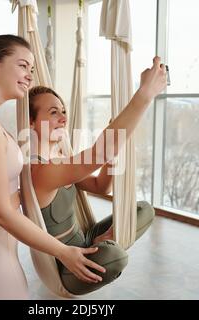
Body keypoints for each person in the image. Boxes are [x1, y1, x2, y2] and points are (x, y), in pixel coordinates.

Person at [0, 34, 106, 300]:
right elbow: (0, 212)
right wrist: (63, 251)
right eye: (22, 66)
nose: (29, 75)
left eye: (31, 69)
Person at [28, 57, 166, 295]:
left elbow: (101, 187)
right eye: (53, 112)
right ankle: (104, 247)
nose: (63, 118)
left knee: (143, 210)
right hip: (70, 261)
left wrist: (113, 156)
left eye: (63, 111)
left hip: (85, 238)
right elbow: (100, 151)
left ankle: (102, 243)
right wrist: (145, 94)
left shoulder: (60, 160)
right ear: (30, 122)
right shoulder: (39, 171)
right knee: (114, 256)